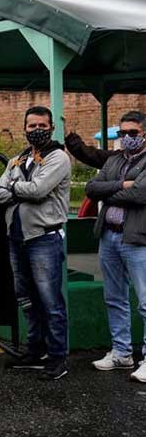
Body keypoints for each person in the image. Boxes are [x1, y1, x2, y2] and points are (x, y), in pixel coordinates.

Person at [0, 106, 71, 381]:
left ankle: (58, 357)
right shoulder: (17, 159)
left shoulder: (58, 157)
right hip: (17, 237)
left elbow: (38, 190)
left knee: (50, 302)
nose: (37, 130)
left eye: (42, 125)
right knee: (26, 299)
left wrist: (13, 188)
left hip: (44, 238)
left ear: (51, 128)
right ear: (24, 129)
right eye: (31, 126)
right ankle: (35, 350)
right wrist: (17, 189)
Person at [84, 110, 146, 383]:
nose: (126, 138)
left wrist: (111, 190)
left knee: (145, 302)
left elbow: (141, 193)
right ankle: (121, 352)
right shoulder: (114, 160)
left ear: (144, 133)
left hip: (136, 238)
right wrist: (122, 184)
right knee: (114, 297)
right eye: (122, 133)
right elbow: (91, 188)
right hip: (109, 236)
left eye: (132, 133)